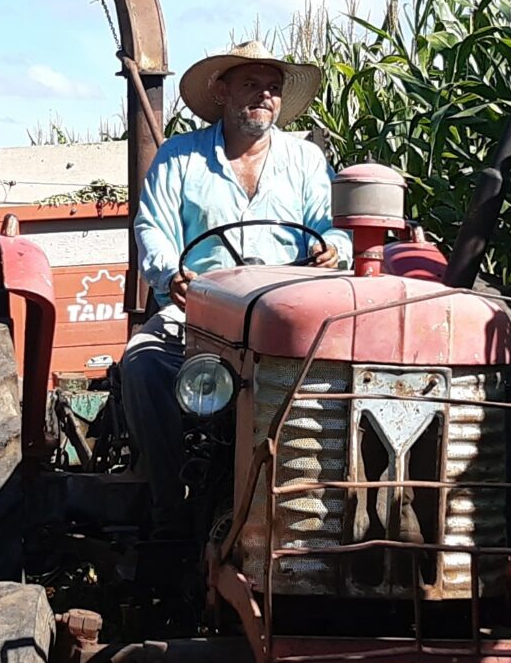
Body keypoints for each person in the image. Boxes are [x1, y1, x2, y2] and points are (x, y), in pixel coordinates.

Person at [124, 40, 349, 520]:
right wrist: (172, 273)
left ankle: (325, 505)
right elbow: (153, 228)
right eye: (251, 84)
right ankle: (169, 504)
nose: (264, 96)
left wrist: (334, 249)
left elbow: (334, 226)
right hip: (201, 312)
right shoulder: (180, 158)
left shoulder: (306, 161)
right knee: (143, 366)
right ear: (223, 93)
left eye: (273, 88)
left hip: (289, 312)